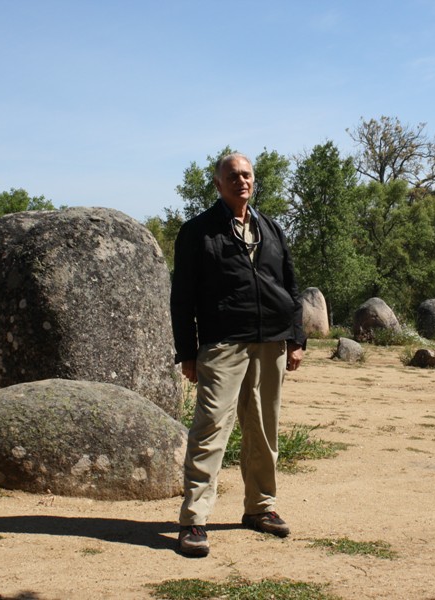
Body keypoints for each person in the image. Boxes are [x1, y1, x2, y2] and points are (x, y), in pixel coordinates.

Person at [170, 152, 306, 557]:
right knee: (211, 428)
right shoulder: (198, 231)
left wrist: (295, 337)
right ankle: (194, 521)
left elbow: (290, 286)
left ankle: (260, 508)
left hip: (271, 343)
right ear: (218, 184)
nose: (241, 181)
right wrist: (187, 352)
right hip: (223, 343)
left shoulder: (271, 228)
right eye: (233, 176)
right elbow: (182, 298)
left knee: (264, 430)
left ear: (254, 180)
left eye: (247, 175)